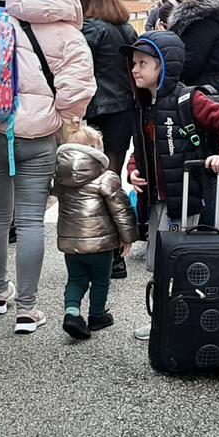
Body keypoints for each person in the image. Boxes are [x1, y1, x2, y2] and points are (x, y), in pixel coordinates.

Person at [0, 0, 95, 334]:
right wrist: (58, 116)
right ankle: (27, 311)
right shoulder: (70, 36)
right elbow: (77, 92)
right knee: (29, 221)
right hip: (38, 137)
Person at [123, 30, 219, 340]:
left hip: (187, 199)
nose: (135, 69)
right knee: (159, 263)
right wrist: (134, 169)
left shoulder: (189, 100)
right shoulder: (143, 105)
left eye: (142, 63)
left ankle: (178, 322)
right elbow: (142, 149)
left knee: (179, 263)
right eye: (133, 63)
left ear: (164, 66)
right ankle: (165, 320)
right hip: (158, 199)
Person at [72, 0, 139, 278]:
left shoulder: (90, 30)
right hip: (124, 112)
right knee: (112, 182)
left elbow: (78, 71)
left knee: (90, 184)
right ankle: (118, 254)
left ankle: (98, 250)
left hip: (96, 113)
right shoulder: (127, 29)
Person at [52, 121, 139, 339]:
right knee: (100, 281)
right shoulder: (106, 177)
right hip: (101, 245)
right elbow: (121, 210)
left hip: (71, 245)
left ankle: (72, 313)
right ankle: (97, 316)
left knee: (76, 280)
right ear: (95, 151)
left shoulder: (61, 179)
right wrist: (128, 237)